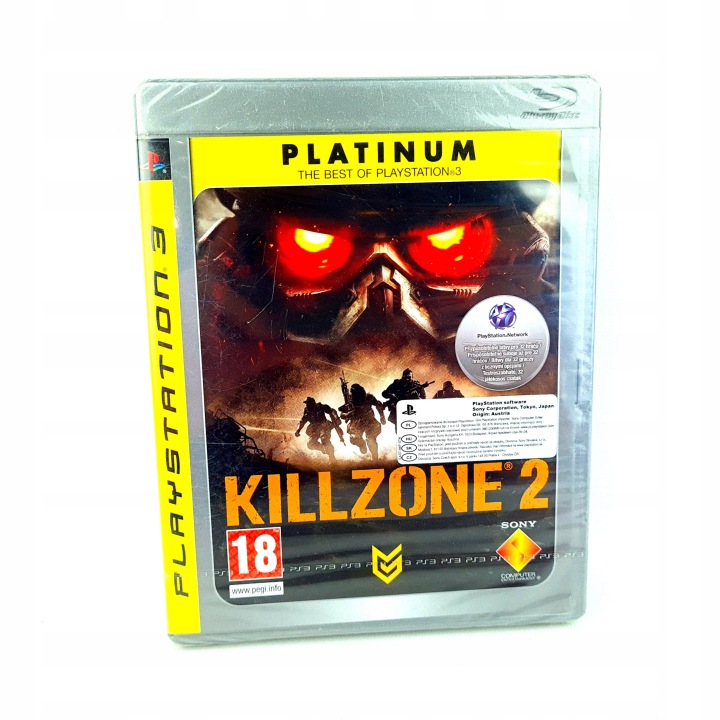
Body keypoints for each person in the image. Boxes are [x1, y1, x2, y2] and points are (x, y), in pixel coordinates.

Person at [339, 383, 385, 461]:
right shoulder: (350, 402)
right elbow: (342, 415)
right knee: (353, 439)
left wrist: (382, 416)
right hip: (357, 423)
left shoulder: (369, 398)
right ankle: (362, 444)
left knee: (371, 439)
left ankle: (375, 458)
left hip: (370, 421)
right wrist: (348, 414)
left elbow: (378, 405)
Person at [295, 397, 343, 461]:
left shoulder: (320, 407)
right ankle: (324, 449)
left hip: (324, 426)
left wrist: (336, 418)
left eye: (308, 403)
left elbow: (332, 411)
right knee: (310, 444)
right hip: (315, 428)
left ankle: (332, 458)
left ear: (313, 403)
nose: (307, 405)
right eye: (306, 404)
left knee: (324, 440)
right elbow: (302, 421)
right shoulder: (306, 411)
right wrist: (298, 430)